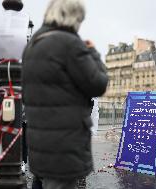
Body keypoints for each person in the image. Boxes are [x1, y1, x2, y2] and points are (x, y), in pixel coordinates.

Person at [21, 0, 108, 188]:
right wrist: (93, 52)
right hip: (64, 146)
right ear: (73, 17)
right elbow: (98, 84)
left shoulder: (33, 45)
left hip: (38, 143)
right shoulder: (69, 44)